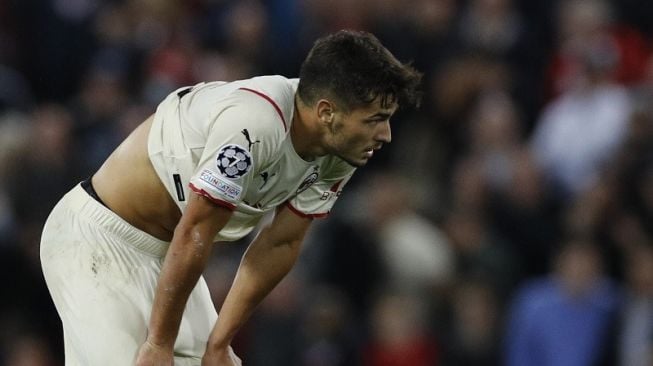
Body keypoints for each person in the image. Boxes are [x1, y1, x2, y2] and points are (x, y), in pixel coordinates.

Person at [39, 30, 422, 365]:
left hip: (167, 255)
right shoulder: (256, 121)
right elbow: (195, 230)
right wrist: (159, 343)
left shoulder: (340, 149)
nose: (386, 134)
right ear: (327, 112)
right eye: (375, 119)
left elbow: (281, 242)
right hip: (97, 239)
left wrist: (219, 343)